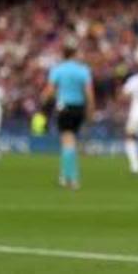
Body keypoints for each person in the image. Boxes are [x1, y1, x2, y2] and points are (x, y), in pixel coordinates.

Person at [44, 46, 94, 190]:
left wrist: (44, 105)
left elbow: (50, 91)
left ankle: (69, 177)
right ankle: (68, 176)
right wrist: (90, 110)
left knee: (67, 141)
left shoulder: (58, 69)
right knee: (72, 141)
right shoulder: (83, 70)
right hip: (79, 108)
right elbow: (89, 94)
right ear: (74, 54)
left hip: (64, 106)